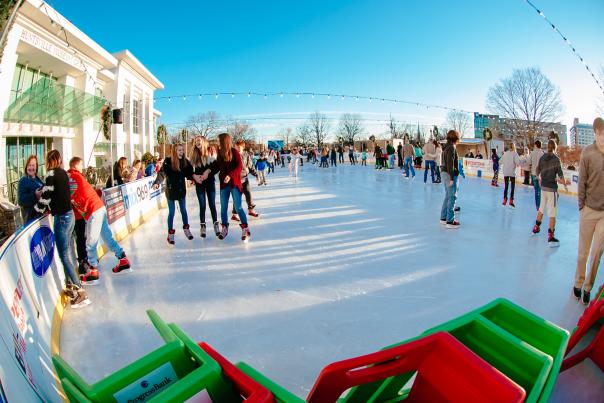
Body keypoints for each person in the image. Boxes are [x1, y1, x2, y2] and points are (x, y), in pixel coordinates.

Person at [34, 150, 90, 308]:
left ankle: (80, 291)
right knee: (70, 253)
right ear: (58, 160)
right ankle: (72, 286)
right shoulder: (63, 173)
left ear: (48, 160)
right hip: (70, 215)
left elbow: (45, 198)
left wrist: (36, 210)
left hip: (62, 218)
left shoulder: (51, 174)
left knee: (64, 255)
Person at [68, 157, 131, 285]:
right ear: (75, 166)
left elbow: (73, 195)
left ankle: (93, 270)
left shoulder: (76, 177)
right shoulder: (74, 176)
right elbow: (75, 194)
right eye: (81, 165)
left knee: (91, 242)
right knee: (107, 237)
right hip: (99, 208)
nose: (82, 168)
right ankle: (123, 259)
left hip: (93, 210)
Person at [573, 117, 604, 305]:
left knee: (596, 253)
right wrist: (581, 206)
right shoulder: (588, 153)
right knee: (583, 252)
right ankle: (578, 281)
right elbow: (582, 180)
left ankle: (588, 286)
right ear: (595, 134)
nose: (602, 137)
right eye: (599, 134)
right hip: (589, 209)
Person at [199, 132, 251, 242]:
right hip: (224, 185)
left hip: (235, 184)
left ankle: (245, 228)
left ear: (224, 141)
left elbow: (239, 167)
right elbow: (216, 166)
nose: (217, 142)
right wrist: (208, 171)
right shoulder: (220, 153)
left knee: (238, 207)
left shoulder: (234, 152)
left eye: (219, 140)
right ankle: (225, 228)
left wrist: (230, 176)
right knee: (223, 209)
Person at [152, 143, 194, 244]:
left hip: (181, 191)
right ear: (174, 152)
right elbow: (162, 173)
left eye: (182, 150)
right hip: (170, 191)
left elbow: (189, 172)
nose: (181, 152)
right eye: (179, 150)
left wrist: (192, 178)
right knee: (172, 212)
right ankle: (170, 233)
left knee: (183, 210)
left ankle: (186, 228)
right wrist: (157, 182)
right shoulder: (168, 161)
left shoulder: (185, 161)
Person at [531, 140, 567, 247]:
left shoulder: (542, 158)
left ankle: (536, 228)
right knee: (552, 213)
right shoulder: (556, 159)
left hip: (543, 189)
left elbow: (537, 170)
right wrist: (565, 184)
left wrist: (539, 178)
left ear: (548, 147)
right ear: (555, 148)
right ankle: (550, 236)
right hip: (551, 190)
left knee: (541, 209)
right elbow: (560, 174)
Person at [190, 136, 220, 238]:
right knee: (202, 205)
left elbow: (216, 166)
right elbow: (189, 170)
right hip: (200, 183)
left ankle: (216, 225)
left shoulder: (211, 151)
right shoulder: (194, 154)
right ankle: (203, 226)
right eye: (196, 141)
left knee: (212, 204)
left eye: (199, 140)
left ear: (203, 141)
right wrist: (194, 177)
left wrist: (208, 171)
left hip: (210, 182)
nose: (197, 142)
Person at [231, 140, 259, 221]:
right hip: (236, 179)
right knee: (237, 197)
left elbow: (250, 166)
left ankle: (251, 210)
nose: (237, 149)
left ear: (243, 147)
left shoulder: (246, 155)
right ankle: (234, 214)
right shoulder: (232, 155)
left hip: (245, 178)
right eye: (236, 147)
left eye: (239, 147)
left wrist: (256, 175)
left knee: (248, 193)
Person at [440, 130, 460, 228]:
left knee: (448, 196)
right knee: (452, 196)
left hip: (444, 172)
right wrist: (452, 178)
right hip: (449, 174)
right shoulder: (451, 147)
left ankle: (443, 218)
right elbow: (450, 164)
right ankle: (450, 221)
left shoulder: (446, 147)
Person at [17, 155, 44, 224]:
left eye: (33, 165)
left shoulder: (39, 179)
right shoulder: (23, 181)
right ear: (26, 167)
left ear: (36, 167)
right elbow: (21, 201)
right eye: (29, 165)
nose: (31, 167)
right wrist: (35, 195)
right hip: (31, 221)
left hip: (41, 218)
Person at [501, 144, 520, 208]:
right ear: (514, 147)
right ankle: (511, 201)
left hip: (506, 172)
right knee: (512, 187)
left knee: (506, 187)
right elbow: (518, 163)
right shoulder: (515, 153)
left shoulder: (505, 153)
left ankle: (504, 200)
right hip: (512, 172)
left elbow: (500, 161)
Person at [529, 140, 545, 210]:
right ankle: (540, 205)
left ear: (536, 145)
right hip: (540, 175)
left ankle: (537, 206)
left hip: (533, 173)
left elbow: (529, 162)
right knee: (540, 190)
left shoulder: (532, 153)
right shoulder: (542, 153)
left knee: (536, 190)